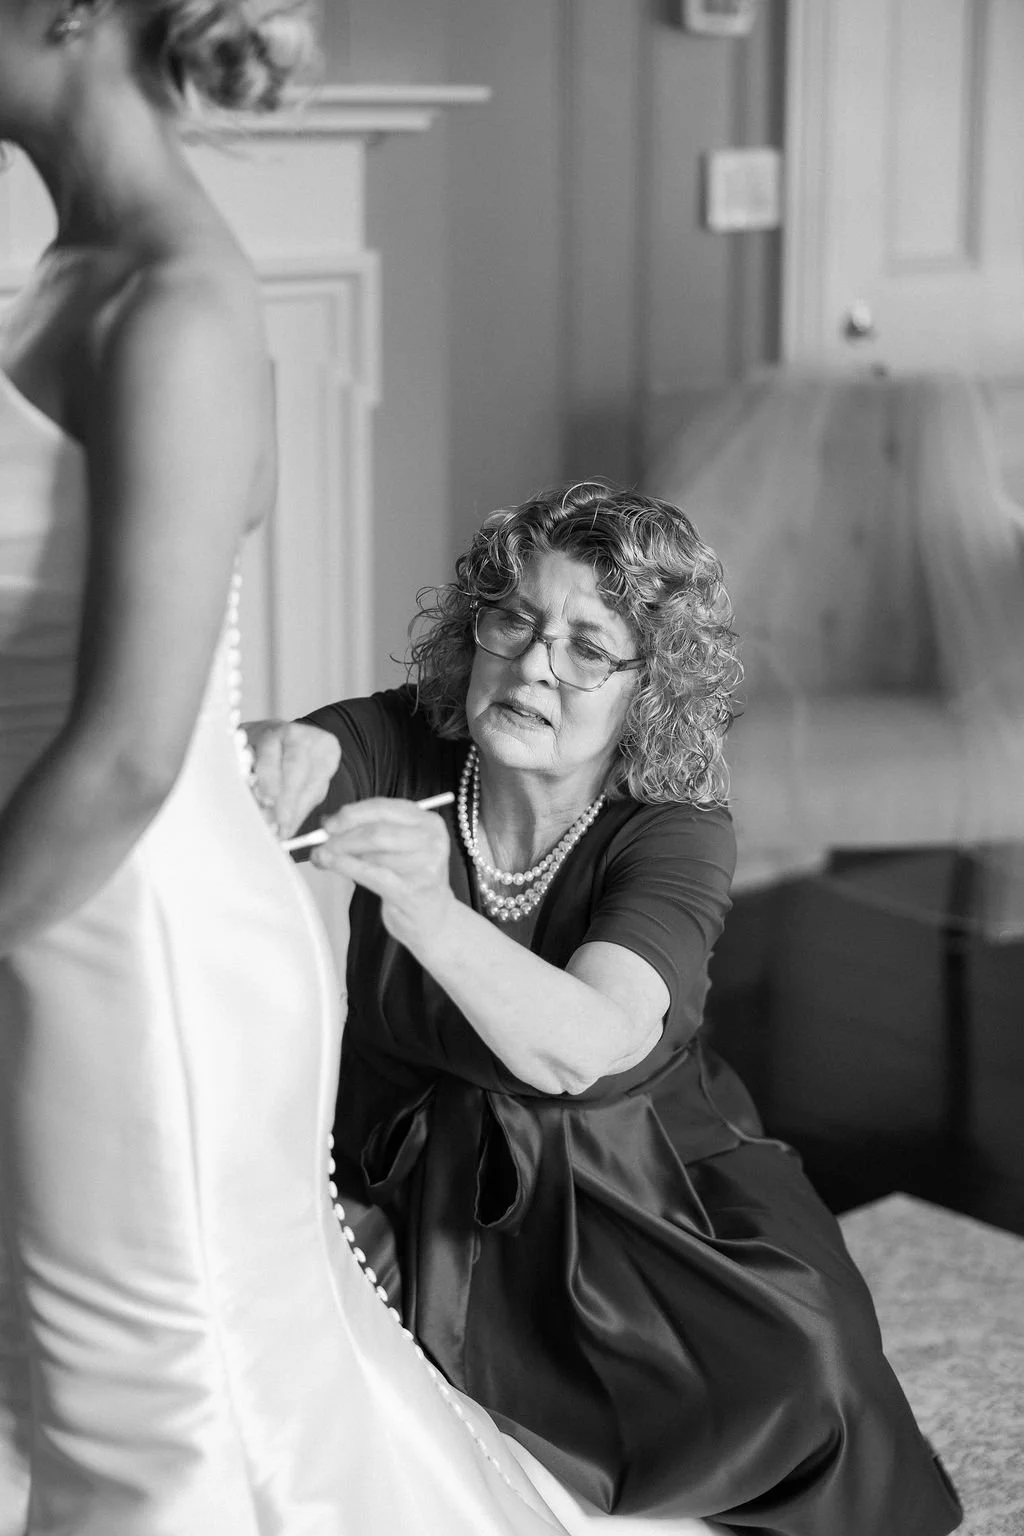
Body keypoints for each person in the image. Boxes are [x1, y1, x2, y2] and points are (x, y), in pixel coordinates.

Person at [0, 9, 670, 1533]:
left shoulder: (173, 303)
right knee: (51, 1382)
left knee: (162, 1418)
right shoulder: (76, 275)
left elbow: (120, 754)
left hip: (131, 940)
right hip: (49, 895)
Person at [250, 480, 964, 1536]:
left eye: (589, 648)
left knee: (808, 1380)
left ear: (650, 687)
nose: (536, 662)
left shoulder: (675, 828)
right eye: (513, 620)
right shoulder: (404, 740)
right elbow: (282, 757)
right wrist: (270, 747)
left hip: (636, 1174)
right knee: (327, 1413)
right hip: (405, 1169)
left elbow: (588, 1045)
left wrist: (428, 910)